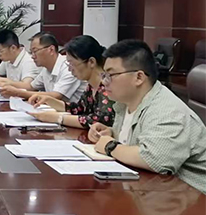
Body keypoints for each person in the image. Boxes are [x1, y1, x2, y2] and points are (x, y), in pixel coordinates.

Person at [88, 40, 206, 193]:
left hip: (193, 199)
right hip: (154, 192)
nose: (104, 82)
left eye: (111, 75)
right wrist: (111, 132)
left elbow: (155, 160)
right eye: (104, 75)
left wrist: (110, 146)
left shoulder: (167, 110)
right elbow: (134, 140)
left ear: (139, 77)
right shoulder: (125, 102)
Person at [27, 35, 115, 129]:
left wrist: (58, 118)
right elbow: (78, 108)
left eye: (72, 64)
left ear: (91, 62)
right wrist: (50, 101)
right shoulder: (91, 86)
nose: (69, 69)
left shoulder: (107, 86)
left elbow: (99, 120)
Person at [0, 32, 85, 103]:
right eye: (31, 52)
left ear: (51, 50)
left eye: (35, 51)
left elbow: (55, 96)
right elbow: (31, 86)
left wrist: (17, 92)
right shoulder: (46, 69)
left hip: (76, 114)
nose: (32, 56)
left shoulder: (69, 67)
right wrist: (8, 84)